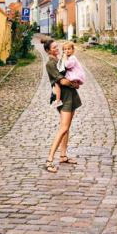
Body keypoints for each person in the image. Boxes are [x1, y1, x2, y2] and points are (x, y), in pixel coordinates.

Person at [44, 39, 81, 173]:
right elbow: (63, 81)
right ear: (48, 51)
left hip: (70, 95)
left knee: (67, 127)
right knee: (63, 128)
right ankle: (49, 160)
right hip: (63, 97)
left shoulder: (60, 59)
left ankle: (63, 155)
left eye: (56, 46)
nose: (57, 49)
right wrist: (74, 84)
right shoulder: (50, 63)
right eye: (54, 48)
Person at [53, 41, 86, 108]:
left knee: (58, 82)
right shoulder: (68, 57)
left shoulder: (72, 57)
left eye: (69, 49)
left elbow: (67, 65)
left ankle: (58, 100)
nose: (67, 51)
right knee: (59, 82)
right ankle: (58, 99)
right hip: (72, 74)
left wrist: (65, 58)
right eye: (65, 49)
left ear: (72, 50)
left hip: (75, 74)